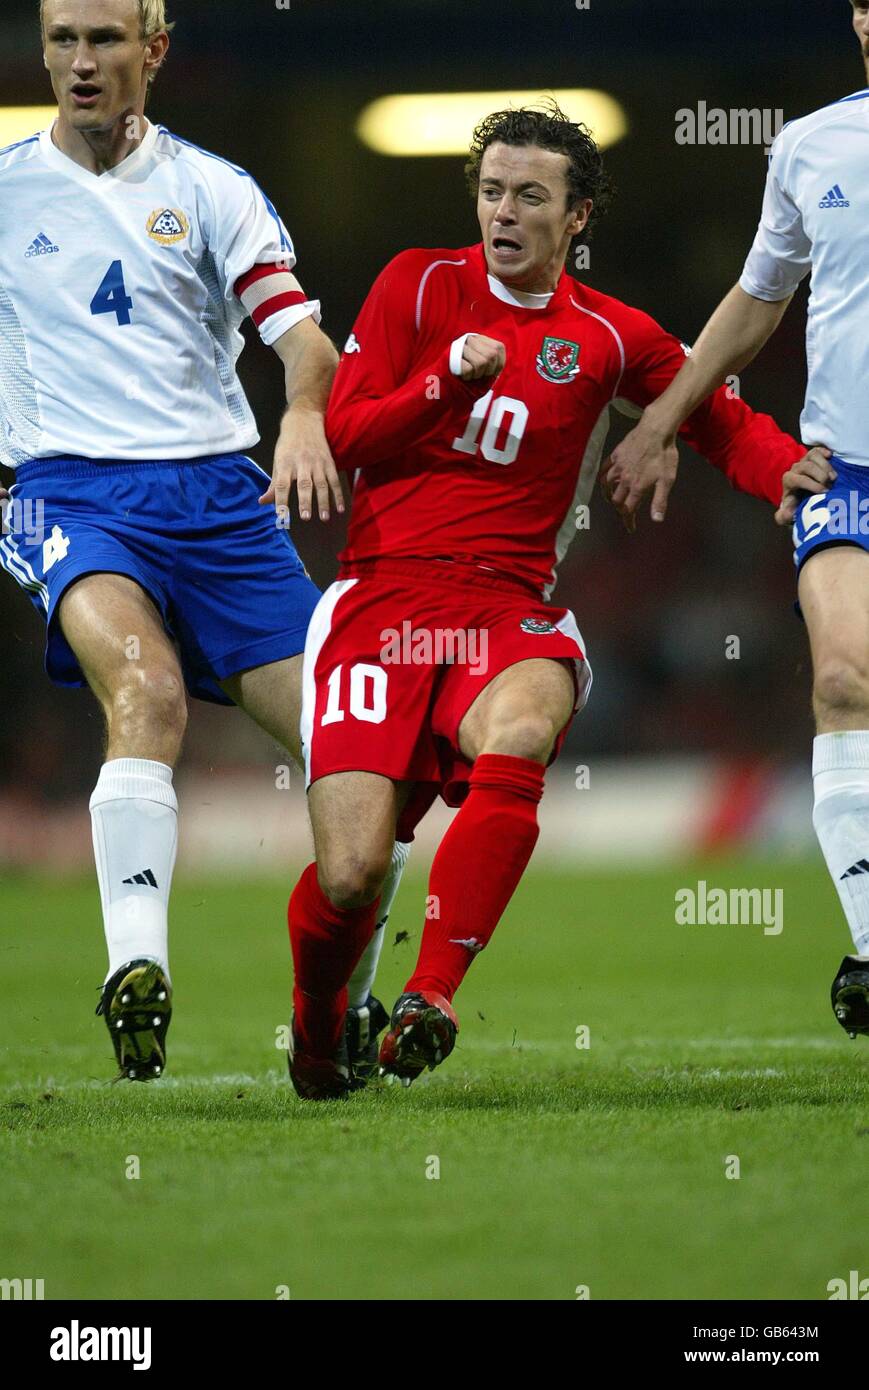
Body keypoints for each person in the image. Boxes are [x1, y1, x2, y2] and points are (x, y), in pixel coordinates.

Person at [285, 100, 826, 1100]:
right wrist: (445, 382)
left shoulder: (611, 338)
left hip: (504, 603)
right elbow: (349, 435)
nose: (503, 211)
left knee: (525, 720)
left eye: (528, 195)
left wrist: (792, 472)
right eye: (491, 192)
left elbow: (714, 421)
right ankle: (318, 1038)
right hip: (378, 600)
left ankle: (429, 996)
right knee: (352, 874)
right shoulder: (416, 283)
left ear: (575, 217)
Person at [0, 0, 406, 1083]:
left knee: (357, 761)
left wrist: (306, 416)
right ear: (44, 50)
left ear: (155, 51)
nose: (82, 63)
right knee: (151, 694)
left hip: (224, 505)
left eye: (106, 41)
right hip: (69, 495)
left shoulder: (212, 189)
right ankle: (137, 974)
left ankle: (348, 1010)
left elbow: (302, 337)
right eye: (63, 41)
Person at [605, 4, 869, 1043]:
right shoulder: (808, 146)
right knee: (843, 677)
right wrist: (663, 418)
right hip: (845, 468)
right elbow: (757, 299)